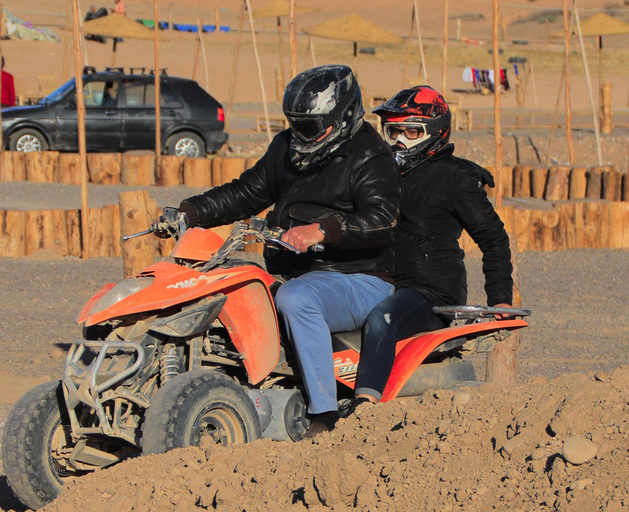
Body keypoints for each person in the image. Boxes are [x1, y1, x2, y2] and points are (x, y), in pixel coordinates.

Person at [161, 65, 400, 436]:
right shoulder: (286, 149)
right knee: (227, 291)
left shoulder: (371, 157)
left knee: (295, 299)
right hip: (298, 274)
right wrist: (191, 211)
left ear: (344, 117)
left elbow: (382, 219)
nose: (302, 135)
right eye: (296, 125)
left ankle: (324, 415)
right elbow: (246, 193)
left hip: (360, 279)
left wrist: (323, 230)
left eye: (311, 127)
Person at [353, 85, 514, 406]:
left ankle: (364, 409)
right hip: (378, 281)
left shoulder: (456, 179)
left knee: (381, 320)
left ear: (435, 132)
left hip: (430, 291)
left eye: (411, 131)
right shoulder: (379, 174)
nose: (399, 140)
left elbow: (494, 237)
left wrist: (501, 299)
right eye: (393, 131)